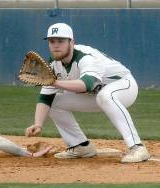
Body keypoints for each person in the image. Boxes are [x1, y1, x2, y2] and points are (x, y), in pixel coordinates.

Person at [25, 23, 150, 163]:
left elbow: (87, 85)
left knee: (105, 96)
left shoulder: (86, 57)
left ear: (71, 42)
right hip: (95, 95)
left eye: (61, 41)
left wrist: (55, 83)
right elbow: (46, 97)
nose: (56, 45)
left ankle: (137, 147)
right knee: (54, 101)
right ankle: (80, 146)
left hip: (124, 86)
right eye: (52, 41)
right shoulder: (54, 64)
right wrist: (38, 124)